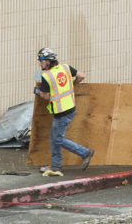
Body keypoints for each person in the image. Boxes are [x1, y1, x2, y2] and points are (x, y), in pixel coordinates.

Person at [35, 48, 94, 177]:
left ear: (48, 62)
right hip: (70, 108)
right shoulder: (65, 68)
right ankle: (56, 165)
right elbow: (81, 76)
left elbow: (46, 96)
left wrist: (37, 91)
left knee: (57, 139)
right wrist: (73, 83)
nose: (40, 64)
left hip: (61, 111)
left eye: (42, 61)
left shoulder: (47, 76)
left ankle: (85, 153)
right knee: (55, 138)